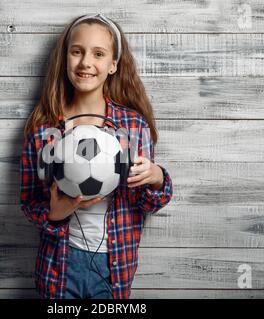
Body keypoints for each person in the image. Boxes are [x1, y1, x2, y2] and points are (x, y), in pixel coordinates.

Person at [20, 13, 173, 299]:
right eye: (77, 52)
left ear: (113, 64)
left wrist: (157, 178)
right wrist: (53, 215)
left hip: (115, 264)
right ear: (65, 58)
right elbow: (29, 202)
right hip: (59, 265)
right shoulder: (44, 131)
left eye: (98, 54)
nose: (85, 62)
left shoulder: (132, 127)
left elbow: (148, 204)